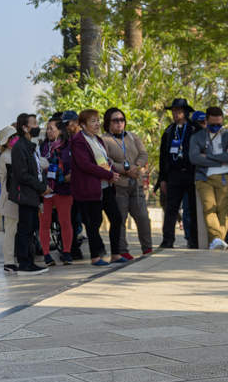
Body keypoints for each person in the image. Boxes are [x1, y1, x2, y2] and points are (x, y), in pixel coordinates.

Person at [70, 109, 123, 266]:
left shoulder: (98, 140)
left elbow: (105, 161)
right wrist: (108, 175)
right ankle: (95, 257)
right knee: (95, 222)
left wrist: (113, 173)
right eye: (93, 121)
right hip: (91, 188)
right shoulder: (78, 141)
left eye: (98, 120)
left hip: (105, 186)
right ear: (83, 125)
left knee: (117, 218)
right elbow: (85, 165)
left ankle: (116, 255)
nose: (97, 123)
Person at [102, 108, 152, 256]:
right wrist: (125, 170)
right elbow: (106, 161)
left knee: (142, 217)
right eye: (115, 120)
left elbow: (143, 154)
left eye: (122, 119)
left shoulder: (132, 136)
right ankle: (122, 251)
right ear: (108, 123)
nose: (119, 123)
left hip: (136, 184)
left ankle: (147, 248)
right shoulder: (104, 140)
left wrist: (136, 167)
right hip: (118, 185)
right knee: (120, 220)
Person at [189, 106, 228, 249]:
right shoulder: (197, 137)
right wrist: (220, 159)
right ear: (206, 120)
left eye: (219, 124)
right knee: (209, 207)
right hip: (204, 176)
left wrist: (208, 156)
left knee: (222, 208)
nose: (216, 127)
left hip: (225, 175)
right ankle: (217, 239)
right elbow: (194, 158)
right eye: (212, 125)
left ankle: (216, 241)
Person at [9, 113, 50, 274]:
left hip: (33, 194)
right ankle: (24, 263)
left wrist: (44, 186)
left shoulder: (31, 146)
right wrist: (41, 187)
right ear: (24, 128)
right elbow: (23, 175)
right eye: (33, 123)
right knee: (25, 228)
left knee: (32, 227)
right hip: (25, 194)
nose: (37, 126)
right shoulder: (20, 147)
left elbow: (38, 170)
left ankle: (30, 261)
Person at [158, 98, 202, 248]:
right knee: (171, 208)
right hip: (174, 175)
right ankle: (167, 241)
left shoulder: (195, 129)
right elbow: (163, 156)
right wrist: (163, 179)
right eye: (173, 111)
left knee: (194, 208)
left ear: (186, 112)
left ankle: (194, 240)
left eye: (178, 110)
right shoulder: (169, 130)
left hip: (192, 173)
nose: (175, 113)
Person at [40, 114, 77, 265]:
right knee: (44, 223)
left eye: (51, 129)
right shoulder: (42, 147)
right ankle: (47, 255)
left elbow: (75, 166)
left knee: (65, 222)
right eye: (47, 129)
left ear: (61, 131)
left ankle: (67, 253)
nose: (48, 131)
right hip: (46, 190)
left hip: (64, 189)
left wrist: (65, 177)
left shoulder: (69, 146)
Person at [0, 125, 20, 272]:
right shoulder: (6, 156)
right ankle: (8, 262)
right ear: (5, 142)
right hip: (10, 199)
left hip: (17, 198)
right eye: (11, 137)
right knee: (10, 231)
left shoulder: (16, 153)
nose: (15, 139)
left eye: (15, 135)